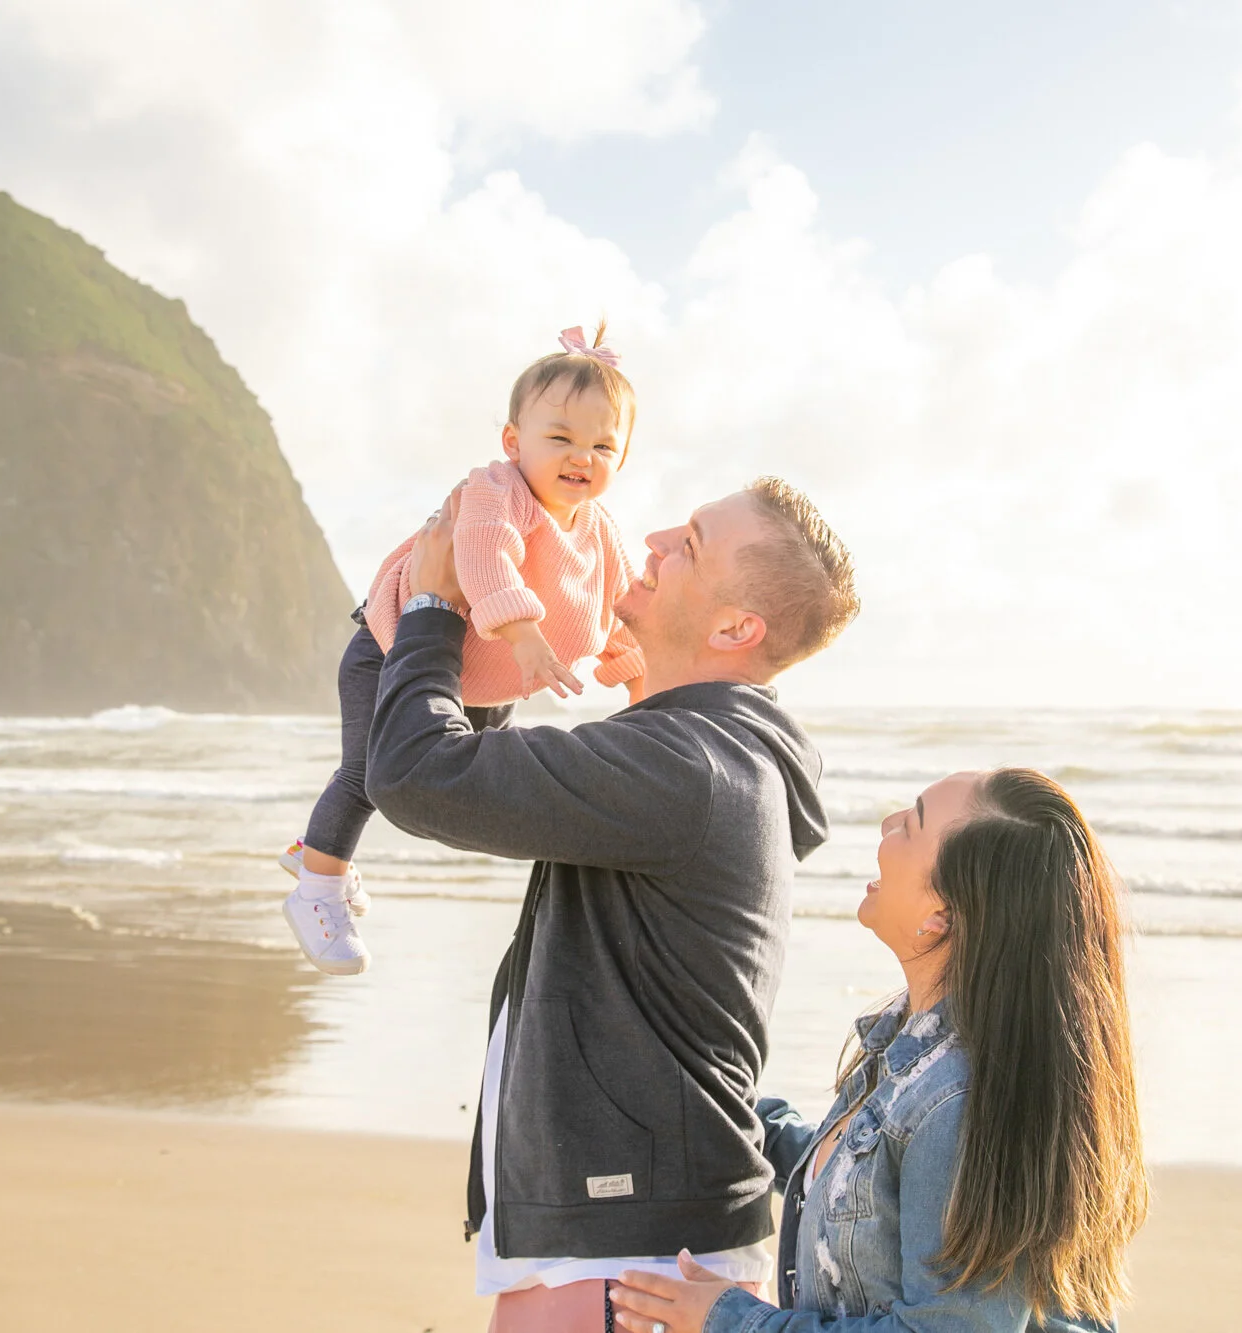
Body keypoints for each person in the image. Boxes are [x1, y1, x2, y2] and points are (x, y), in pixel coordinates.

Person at [366, 476, 860, 1331]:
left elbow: (418, 772)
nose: (654, 539)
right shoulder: (703, 752)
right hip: (625, 1236)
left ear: (735, 628)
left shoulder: (687, 764)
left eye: (691, 544)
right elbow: (488, 777)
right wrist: (507, 631)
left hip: (630, 1251)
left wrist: (436, 608)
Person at [607, 769, 1148, 1333]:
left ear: (943, 915)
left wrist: (731, 1320)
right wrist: (728, 1112)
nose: (888, 825)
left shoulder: (956, 1101)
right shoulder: (914, 1044)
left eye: (911, 824)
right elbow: (865, 1189)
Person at [280, 325, 648, 976]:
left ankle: (317, 846)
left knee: (471, 779)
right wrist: (523, 631)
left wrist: (638, 683)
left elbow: (618, 608)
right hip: (392, 652)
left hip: (481, 683)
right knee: (368, 773)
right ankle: (317, 887)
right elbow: (483, 557)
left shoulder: (601, 533)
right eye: (560, 438)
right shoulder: (496, 491)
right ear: (513, 441)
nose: (581, 457)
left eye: (602, 445)